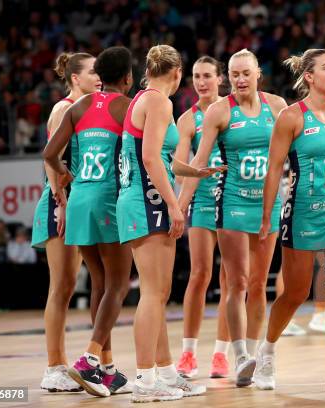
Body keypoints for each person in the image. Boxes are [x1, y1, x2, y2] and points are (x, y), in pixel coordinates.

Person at [252, 48, 325, 392]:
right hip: (302, 213)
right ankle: (266, 351)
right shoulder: (291, 117)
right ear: (309, 77)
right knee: (296, 292)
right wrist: (265, 218)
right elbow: (274, 169)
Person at [116, 44, 219, 403]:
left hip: (140, 199)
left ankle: (164, 371)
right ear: (177, 74)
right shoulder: (160, 102)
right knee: (153, 294)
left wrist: (194, 171)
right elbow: (149, 159)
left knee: (157, 294)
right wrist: (175, 206)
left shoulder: (141, 98)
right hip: (147, 201)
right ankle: (145, 380)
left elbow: (162, 158)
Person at [179, 48, 287, 387]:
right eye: (235, 73)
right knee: (236, 282)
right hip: (233, 202)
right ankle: (238, 355)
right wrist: (178, 204)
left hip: (268, 205)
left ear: (258, 74)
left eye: (246, 73)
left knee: (258, 284)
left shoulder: (278, 107)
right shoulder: (219, 111)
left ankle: (255, 358)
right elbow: (197, 161)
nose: (240, 79)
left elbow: (295, 153)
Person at [43, 46, 135, 397]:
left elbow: (49, 154)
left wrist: (71, 178)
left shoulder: (78, 107)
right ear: (127, 78)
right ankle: (89, 359)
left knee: (100, 284)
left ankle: (106, 369)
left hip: (79, 200)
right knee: (119, 285)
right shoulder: (127, 106)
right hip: (108, 201)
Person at [31, 51, 100, 393]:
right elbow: (51, 158)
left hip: (78, 202)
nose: (99, 75)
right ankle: (53, 367)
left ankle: (96, 363)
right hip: (60, 203)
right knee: (60, 286)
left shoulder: (92, 108)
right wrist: (60, 200)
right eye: (92, 71)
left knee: (75, 284)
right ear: (75, 78)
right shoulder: (63, 108)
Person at [174, 56, 231, 379]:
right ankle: (188, 353)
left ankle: (221, 354)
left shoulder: (233, 110)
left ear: (219, 78)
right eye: (196, 76)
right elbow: (179, 170)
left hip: (234, 200)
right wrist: (194, 173)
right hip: (204, 201)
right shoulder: (187, 120)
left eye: (208, 75)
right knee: (199, 275)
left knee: (230, 281)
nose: (202, 82)